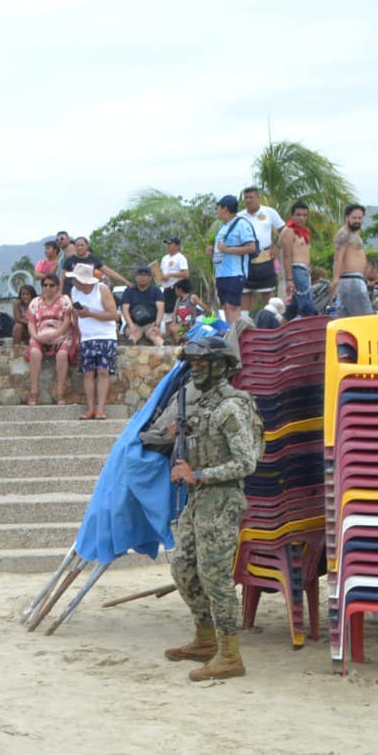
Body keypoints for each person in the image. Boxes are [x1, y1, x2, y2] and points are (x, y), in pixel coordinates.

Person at [165, 338, 262, 681]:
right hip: (199, 500)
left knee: (216, 578)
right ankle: (205, 638)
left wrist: (199, 474)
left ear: (219, 367)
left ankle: (230, 654)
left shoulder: (230, 407)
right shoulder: (204, 405)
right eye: (192, 364)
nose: (195, 369)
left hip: (221, 500)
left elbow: (246, 462)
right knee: (183, 569)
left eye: (201, 364)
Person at [68, 262, 119, 420]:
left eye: (76, 279)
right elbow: (75, 316)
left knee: (103, 371)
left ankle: (101, 409)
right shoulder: (74, 291)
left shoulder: (101, 289)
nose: (73, 282)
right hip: (87, 336)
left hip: (105, 335)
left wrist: (90, 314)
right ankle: (90, 409)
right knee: (88, 373)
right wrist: (76, 335)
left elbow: (113, 315)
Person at [25, 274, 74, 405]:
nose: (47, 288)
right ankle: (34, 391)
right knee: (34, 353)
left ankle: (60, 392)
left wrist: (56, 334)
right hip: (40, 334)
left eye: (51, 285)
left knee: (62, 355)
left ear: (57, 287)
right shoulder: (35, 302)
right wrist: (35, 336)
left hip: (61, 334)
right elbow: (30, 322)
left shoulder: (65, 301)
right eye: (45, 285)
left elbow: (67, 321)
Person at [211, 195, 258, 323]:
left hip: (234, 273)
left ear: (225, 208)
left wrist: (227, 250)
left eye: (218, 207)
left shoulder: (241, 224)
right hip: (221, 274)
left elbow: (251, 247)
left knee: (233, 306)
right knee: (226, 306)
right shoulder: (223, 226)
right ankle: (230, 335)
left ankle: (236, 337)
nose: (217, 210)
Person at [239, 186, 285, 311]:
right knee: (245, 293)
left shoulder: (269, 212)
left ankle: (270, 323)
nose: (248, 200)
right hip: (245, 260)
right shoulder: (239, 216)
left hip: (265, 257)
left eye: (251, 197)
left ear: (258, 198)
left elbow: (284, 231)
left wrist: (277, 247)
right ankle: (245, 325)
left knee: (268, 294)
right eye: (246, 198)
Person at [277, 202, 317, 318]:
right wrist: (289, 279)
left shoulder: (302, 232)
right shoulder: (289, 231)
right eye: (298, 215)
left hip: (304, 270)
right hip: (297, 270)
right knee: (306, 306)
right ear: (291, 215)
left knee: (292, 309)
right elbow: (286, 256)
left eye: (304, 215)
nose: (301, 218)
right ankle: (308, 332)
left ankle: (279, 332)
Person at [332, 203, 371, 318]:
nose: (357, 221)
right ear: (347, 218)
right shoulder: (343, 234)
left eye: (360, 218)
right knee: (364, 318)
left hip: (357, 279)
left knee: (348, 319)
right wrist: (335, 279)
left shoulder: (355, 235)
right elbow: (338, 258)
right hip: (351, 280)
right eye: (354, 218)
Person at [120, 266, 165, 345]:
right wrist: (131, 325)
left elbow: (160, 309)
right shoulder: (129, 290)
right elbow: (125, 310)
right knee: (133, 335)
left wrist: (157, 325)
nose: (142, 277)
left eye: (145, 275)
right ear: (136, 277)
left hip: (151, 324)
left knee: (156, 336)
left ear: (150, 277)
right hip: (134, 323)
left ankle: (165, 350)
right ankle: (130, 345)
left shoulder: (156, 290)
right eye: (140, 275)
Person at [159, 236, 189, 312]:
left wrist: (171, 275)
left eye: (170, 244)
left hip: (175, 289)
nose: (168, 246)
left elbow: (186, 274)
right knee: (167, 316)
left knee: (176, 315)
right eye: (167, 244)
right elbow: (162, 273)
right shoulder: (164, 258)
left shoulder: (180, 258)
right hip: (166, 289)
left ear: (177, 246)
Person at [11, 283, 38, 348]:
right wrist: (29, 322)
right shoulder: (17, 303)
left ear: (32, 295)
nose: (25, 296)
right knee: (17, 326)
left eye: (28, 294)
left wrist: (25, 319)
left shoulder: (37, 303)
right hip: (24, 330)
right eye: (23, 294)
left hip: (35, 329)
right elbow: (17, 319)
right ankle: (16, 349)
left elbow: (38, 320)